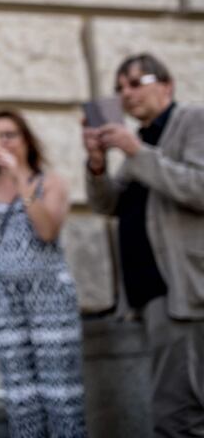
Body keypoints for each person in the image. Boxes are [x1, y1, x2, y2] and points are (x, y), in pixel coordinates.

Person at [83, 53, 204, 436]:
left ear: (166, 85)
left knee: (177, 415)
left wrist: (135, 152)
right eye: (120, 88)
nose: (126, 93)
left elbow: (199, 187)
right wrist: (99, 166)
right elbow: (110, 204)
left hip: (187, 288)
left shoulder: (192, 121)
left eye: (137, 82)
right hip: (154, 295)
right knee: (177, 409)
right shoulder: (144, 138)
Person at [0, 109, 87, 438]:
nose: (3, 142)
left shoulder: (51, 183)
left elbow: (46, 230)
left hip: (50, 298)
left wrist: (19, 178)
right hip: (3, 301)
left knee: (60, 392)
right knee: (20, 396)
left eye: (10, 135)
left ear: (27, 141)